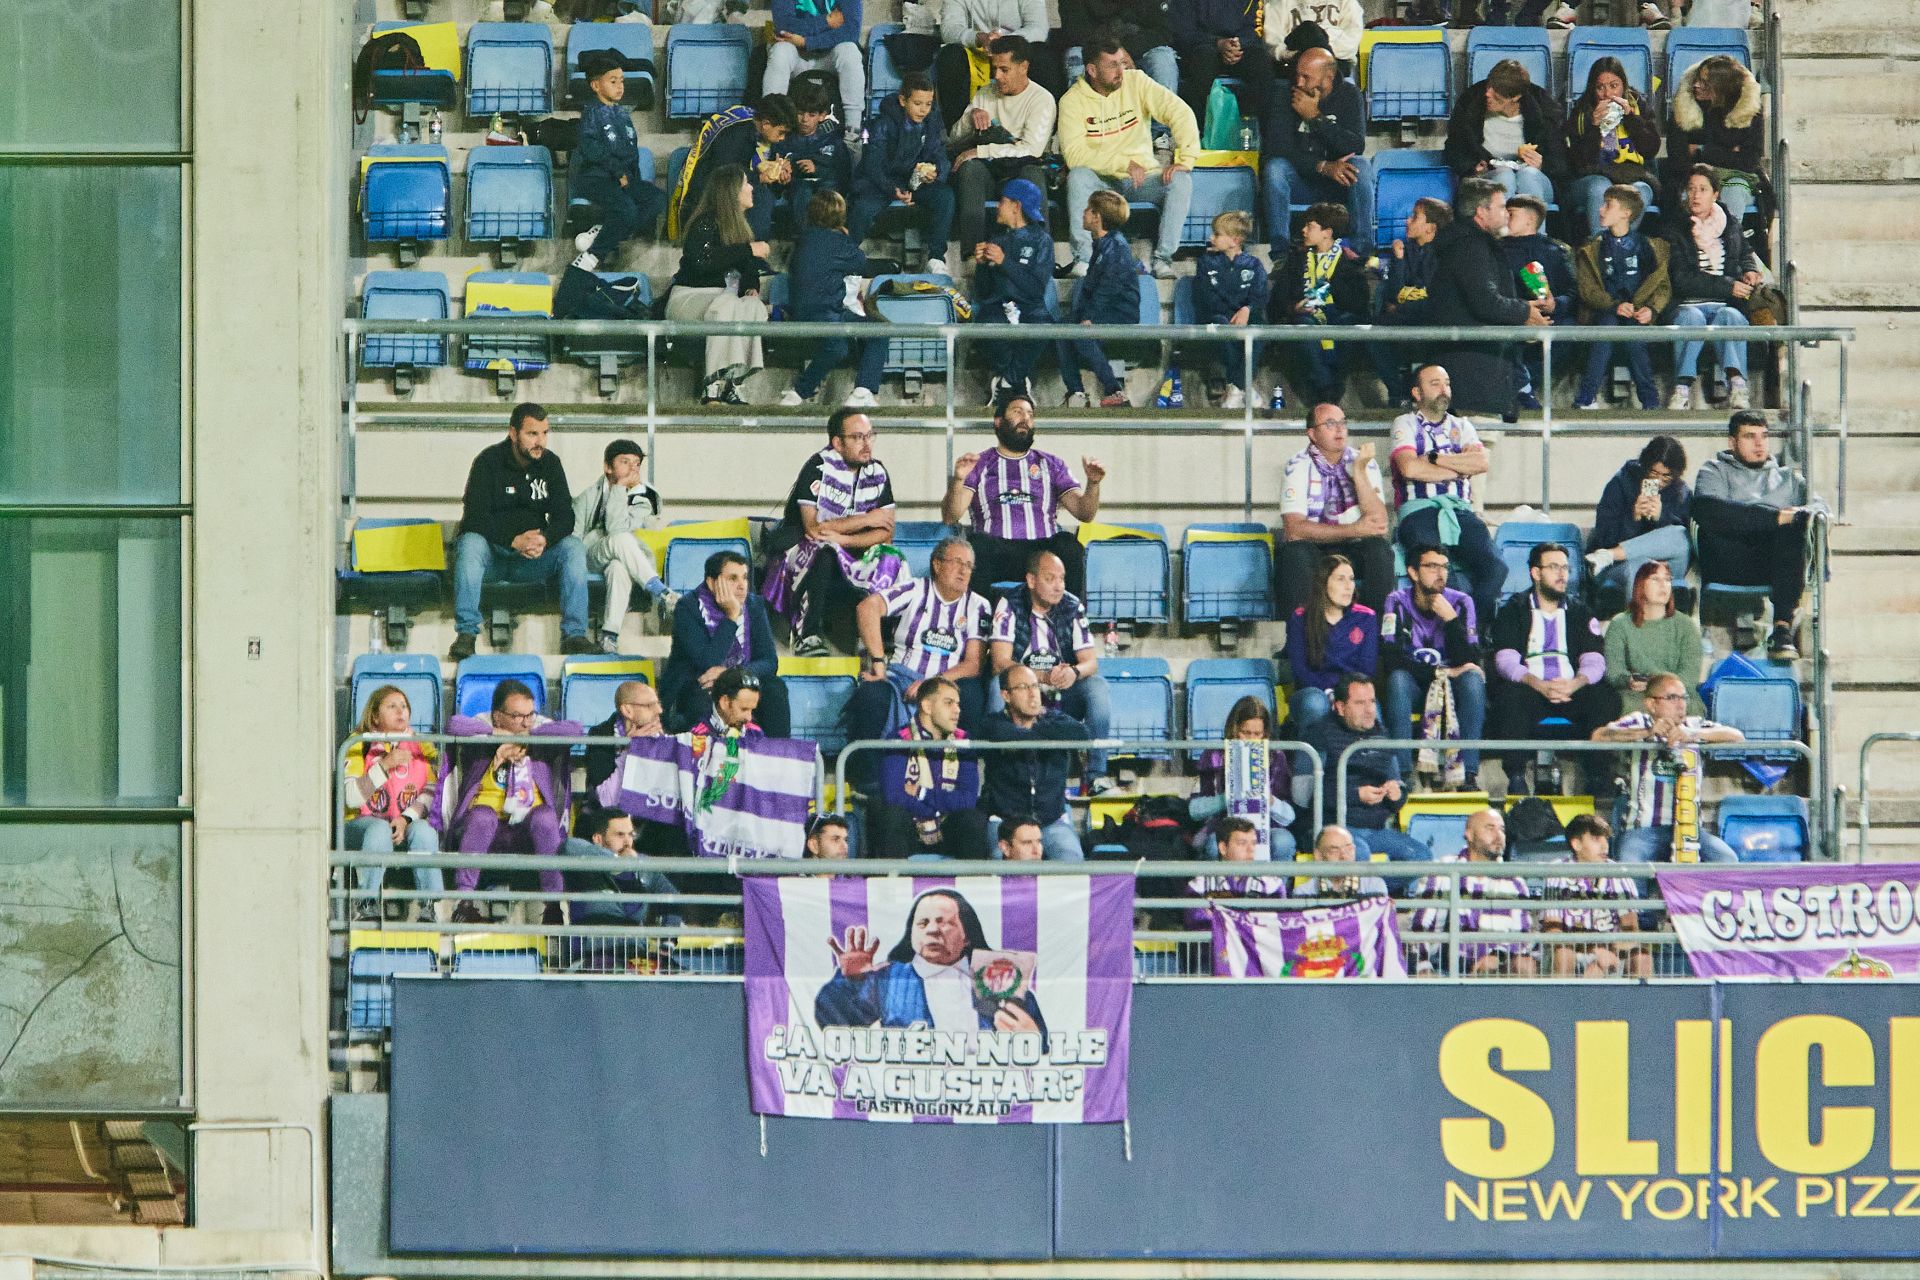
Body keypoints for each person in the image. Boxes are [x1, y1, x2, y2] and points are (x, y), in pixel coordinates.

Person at [450, 403, 592, 659]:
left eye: (545, 433)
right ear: (513, 433)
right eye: (532, 434)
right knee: (470, 542)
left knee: (573, 546)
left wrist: (544, 540)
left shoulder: (551, 464)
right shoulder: (488, 461)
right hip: (492, 557)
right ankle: (467, 633)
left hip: (533, 560)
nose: (541, 441)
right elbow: (474, 516)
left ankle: (575, 636)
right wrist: (512, 540)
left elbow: (565, 516)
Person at [1057, 35, 1201, 280]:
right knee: (1078, 176)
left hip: (1142, 180)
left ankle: (1162, 260)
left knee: (1182, 180)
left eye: (1122, 62)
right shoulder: (1071, 101)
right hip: (1101, 183)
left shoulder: (1137, 82)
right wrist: (1122, 163)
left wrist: (1185, 159)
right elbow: (1074, 155)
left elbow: (1180, 112)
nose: (1121, 70)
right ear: (1091, 70)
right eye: (1112, 65)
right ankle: (1083, 260)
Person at [845, 536, 992, 766]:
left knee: (972, 695)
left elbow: (973, 663)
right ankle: (868, 781)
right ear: (937, 564)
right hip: (902, 676)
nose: (963, 570)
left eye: (968, 566)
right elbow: (867, 608)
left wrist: (931, 684)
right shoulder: (915, 589)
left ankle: (960, 772)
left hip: (947, 681)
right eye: (957, 562)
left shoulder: (978, 605)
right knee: (871, 695)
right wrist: (878, 662)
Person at [763, 409, 900, 656]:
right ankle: (809, 635)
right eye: (858, 437)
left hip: (848, 547)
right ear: (838, 442)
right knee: (825, 550)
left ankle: (880, 636)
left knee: (891, 557)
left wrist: (843, 537)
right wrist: (867, 519)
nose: (867, 444)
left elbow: (886, 533)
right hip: (804, 547)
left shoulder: (878, 472)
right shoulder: (818, 467)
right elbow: (814, 529)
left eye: (870, 436)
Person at [445, 680, 584, 924]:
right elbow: (453, 724)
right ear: (497, 716)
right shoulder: (481, 731)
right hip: (488, 828)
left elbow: (575, 729)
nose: (525, 721)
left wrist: (527, 737)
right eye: (517, 716)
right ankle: (463, 903)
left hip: (527, 829)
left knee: (545, 817)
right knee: (482, 816)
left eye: (530, 714)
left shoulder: (538, 733)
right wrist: (496, 737)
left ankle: (554, 906)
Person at [1488, 542, 1621, 794]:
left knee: (1605, 698)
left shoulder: (1580, 612)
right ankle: (1516, 777)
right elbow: (1505, 661)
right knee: (1509, 697)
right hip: (1531, 687)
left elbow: (1595, 659)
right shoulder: (1513, 610)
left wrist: (1575, 683)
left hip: (1571, 688)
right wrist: (1538, 684)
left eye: (1565, 568)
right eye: (1553, 567)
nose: (1562, 574)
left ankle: (1597, 777)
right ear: (1535, 573)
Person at [1692, 410, 1824, 660]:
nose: (1759, 443)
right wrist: (1774, 518)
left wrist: (1797, 516)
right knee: (1720, 518)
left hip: (1774, 563)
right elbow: (1709, 511)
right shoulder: (1715, 470)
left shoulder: (1790, 478)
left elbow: (1820, 510)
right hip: (1728, 560)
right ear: (1732, 443)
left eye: (1764, 436)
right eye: (1749, 436)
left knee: (1794, 529)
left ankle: (1782, 629)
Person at [943, 394, 1104, 598]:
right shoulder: (979, 463)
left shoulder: (1052, 464)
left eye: (1030, 414)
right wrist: (958, 480)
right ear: (998, 422)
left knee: (1069, 546)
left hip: (1042, 551)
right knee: (977, 546)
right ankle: (979, 621)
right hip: (997, 550)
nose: (1025, 418)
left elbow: (1085, 513)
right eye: (1018, 412)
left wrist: (1094, 483)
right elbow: (950, 516)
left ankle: (1070, 621)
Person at [815, 887, 1044, 1030]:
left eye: (944, 922)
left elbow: (1040, 1044)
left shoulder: (997, 979)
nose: (932, 930)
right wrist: (850, 982)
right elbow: (833, 1020)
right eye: (923, 923)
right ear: (912, 934)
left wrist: (1033, 1038)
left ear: (967, 936)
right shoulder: (889, 977)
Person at [1388, 364, 1506, 628]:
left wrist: (1434, 459)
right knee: (1438, 571)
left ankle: (1468, 627)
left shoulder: (1462, 425)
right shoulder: (1404, 423)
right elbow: (1409, 468)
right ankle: (1451, 634)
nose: (1444, 390)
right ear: (1417, 393)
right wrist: (1456, 468)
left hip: (1460, 511)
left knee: (1497, 567)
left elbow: (1480, 464)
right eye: (1435, 384)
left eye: (1447, 383)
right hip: (1419, 512)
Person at [988, 550, 1115, 786]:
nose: (1059, 586)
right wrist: (1040, 677)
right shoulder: (1010, 602)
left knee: (1097, 688)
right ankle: (997, 773)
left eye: (1062, 578)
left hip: (1062, 691)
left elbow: (1091, 662)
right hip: (1023, 690)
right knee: (997, 686)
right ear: (1031, 580)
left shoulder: (1072, 605)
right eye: (1050, 579)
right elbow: (999, 662)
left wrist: (1074, 672)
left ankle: (1096, 775)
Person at [1424, 180, 1549, 416]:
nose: (1506, 215)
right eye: (1501, 208)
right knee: (1475, 449)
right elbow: (1486, 301)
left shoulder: (1472, 245)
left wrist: (1523, 310)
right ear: (1481, 212)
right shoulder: (1472, 247)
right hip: (1474, 380)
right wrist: (1525, 312)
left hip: (1476, 373)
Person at [1592, 671, 1743, 863]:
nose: (1680, 704)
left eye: (1683, 697)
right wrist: (1647, 732)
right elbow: (1600, 735)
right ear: (1651, 704)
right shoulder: (1640, 721)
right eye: (1671, 698)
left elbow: (1737, 736)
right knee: (1629, 861)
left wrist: (1693, 734)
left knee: (1727, 860)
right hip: (1644, 829)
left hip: (1690, 829)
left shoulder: (1693, 724)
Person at [1379, 543, 1487, 788]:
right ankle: (1403, 774)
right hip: (1415, 683)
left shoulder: (1461, 602)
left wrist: (1450, 620)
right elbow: (1392, 657)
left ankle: (1468, 774)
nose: (1441, 573)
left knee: (1472, 680)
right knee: (1397, 679)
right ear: (1413, 572)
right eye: (1432, 566)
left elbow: (1470, 658)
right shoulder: (1395, 601)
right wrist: (1441, 671)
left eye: (1445, 567)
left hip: (1453, 685)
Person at [665, 163, 772, 406]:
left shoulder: (741, 227)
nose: (751, 187)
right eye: (746, 182)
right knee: (727, 305)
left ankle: (735, 381)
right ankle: (712, 383)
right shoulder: (703, 222)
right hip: (689, 298)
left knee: (753, 307)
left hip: (725, 299)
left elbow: (747, 270)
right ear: (731, 190)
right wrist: (748, 249)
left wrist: (751, 287)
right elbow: (702, 261)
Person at [1295, 674, 1429, 861]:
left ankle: (1375, 888)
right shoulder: (1318, 733)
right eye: (1360, 703)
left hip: (1375, 829)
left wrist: (1397, 794)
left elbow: (1399, 790)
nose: (1369, 710)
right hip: (1330, 827)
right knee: (1359, 852)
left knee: (1422, 856)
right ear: (1340, 707)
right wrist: (1356, 794)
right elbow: (1301, 795)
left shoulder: (1381, 734)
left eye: (1372, 702)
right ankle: (1363, 887)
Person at [1663, 165, 1763, 413]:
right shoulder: (1675, 228)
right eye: (1691, 189)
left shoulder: (1728, 224)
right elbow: (1682, 279)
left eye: (1703, 189)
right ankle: (1682, 388)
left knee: (1731, 317)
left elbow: (1745, 251)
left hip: (1725, 304)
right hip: (1687, 302)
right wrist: (1729, 286)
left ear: (1715, 194)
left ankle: (1737, 385)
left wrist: (1749, 269)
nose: (1695, 195)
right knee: (1693, 317)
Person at [662, 550, 791, 736]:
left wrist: (732, 675)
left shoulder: (754, 605)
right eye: (733, 578)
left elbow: (770, 662)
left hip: (735, 681)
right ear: (712, 583)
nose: (742, 586)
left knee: (774, 689)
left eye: (745, 578)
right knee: (703, 698)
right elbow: (707, 663)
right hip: (696, 684)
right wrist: (731, 617)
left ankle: (778, 758)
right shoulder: (687, 608)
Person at [342, 685, 444, 921]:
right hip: (361, 825)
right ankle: (366, 903)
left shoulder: (422, 746)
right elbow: (351, 797)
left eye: (404, 706)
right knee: (378, 829)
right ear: (376, 716)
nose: (401, 711)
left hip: (404, 822)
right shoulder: (358, 744)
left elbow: (431, 791)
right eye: (392, 706)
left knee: (425, 831)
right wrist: (384, 766)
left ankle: (428, 906)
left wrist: (406, 818)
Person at [948, 36, 1056, 255]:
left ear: (1023, 67)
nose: (997, 76)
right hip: (990, 172)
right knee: (970, 170)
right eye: (994, 69)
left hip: (1022, 168)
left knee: (1032, 176)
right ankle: (972, 256)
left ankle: (1041, 255)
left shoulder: (1041, 99)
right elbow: (953, 139)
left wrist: (980, 151)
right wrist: (970, 117)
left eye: (1004, 70)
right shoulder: (987, 92)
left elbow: (1032, 150)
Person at [1260, 47, 1372, 258]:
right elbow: (1277, 149)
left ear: (1328, 77)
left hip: (1338, 185)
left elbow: (1355, 146)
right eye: (1297, 75)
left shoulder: (1349, 95)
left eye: (1306, 77)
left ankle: (1361, 254)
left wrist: (1316, 118)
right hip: (1301, 182)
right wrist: (1322, 167)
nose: (1299, 83)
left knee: (1362, 167)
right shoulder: (1285, 95)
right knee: (1275, 168)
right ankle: (1281, 255)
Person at [777, 192, 886, 409]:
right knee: (841, 346)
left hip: (809, 310)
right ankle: (801, 391)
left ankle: (861, 392)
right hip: (824, 313)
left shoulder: (803, 239)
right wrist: (845, 238)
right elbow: (861, 263)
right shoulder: (837, 241)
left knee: (875, 330)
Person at [1572, 184, 1673, 413]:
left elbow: (1662, 286)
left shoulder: (1648, 247)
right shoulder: (1592, 247)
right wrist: (1614, 305)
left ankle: (1650, 402)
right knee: (1607, 329)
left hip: (1636, 313)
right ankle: (1585, 398)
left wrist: (1652, 309)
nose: (1600, 209)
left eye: (1608, 205)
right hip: (1604, 312)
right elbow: (1587, 289)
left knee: (1635, 337)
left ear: (1626, 213)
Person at [866, 678, 992, 859]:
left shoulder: (963, 741)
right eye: (949, 703)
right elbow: (894, 797)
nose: (957, 710)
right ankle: (892, 886)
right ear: (927, 706)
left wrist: (921, 793)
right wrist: (939, 809)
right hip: (910, 830)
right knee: (891, 815)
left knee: (972, 819)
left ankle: (971, 885)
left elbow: (967, 800)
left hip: (949, 830)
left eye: (958, 704)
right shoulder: (899, 739)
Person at [571, 438, 674, 654]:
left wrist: (619, 490)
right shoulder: (586, 497)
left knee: (618, 566)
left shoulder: (644, 498)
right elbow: (575, 540)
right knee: (619, 540)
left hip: (626, 558)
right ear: (608, 467)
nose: (632, 469)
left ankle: (609, 636)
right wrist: (618, 488)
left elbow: (618, 528)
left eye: (636, 464)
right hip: (590, 555)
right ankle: (660, 591)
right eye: (625, 462)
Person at [980, 665, 1092, 860]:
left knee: (1072, 862)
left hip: (1051, 821)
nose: (1033, 694)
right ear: (1006, 695)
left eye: (1035, 686)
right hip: (1006, 822)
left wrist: (1033, 731)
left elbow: (1082, 734)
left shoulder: (1056, 719)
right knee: (1001, 864)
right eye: (1023, 687)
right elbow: (1008, 736)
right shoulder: (993, 724)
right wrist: (1050, 736)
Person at [1409, 808, 1536, 977]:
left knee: (1525, 965)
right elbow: (1422, 927)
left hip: (1500, 964)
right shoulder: (1443, 870)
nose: (1499, 835)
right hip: (1451, 966)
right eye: (1490, 828)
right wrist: (1423, 967)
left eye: (1502, 829)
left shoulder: (1515, 880)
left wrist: (1498, 955)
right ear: (1469, 834)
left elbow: (1522, 935)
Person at [571, 51, 667, 270]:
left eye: (621, 81)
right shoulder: (592, 113)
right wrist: (618, 172)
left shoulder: (623, 115)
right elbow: (590, 148)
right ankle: (592, 256)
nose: (619, 86)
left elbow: (631, 152)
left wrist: (633, 180)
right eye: (612, 81)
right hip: (597, 178)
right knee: (627, 210)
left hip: (623, 179)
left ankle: (602, 231)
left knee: (656, 199)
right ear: (596, 86)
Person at [851, 73, 955, 275]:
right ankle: (847, 254)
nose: (923, 110)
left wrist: (937, 171)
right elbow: (872, 165)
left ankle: (935, 258)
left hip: (916, 181)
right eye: (917, 103)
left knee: (945, 197)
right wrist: (892, 189)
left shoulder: (932, 122)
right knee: (862, 208)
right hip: (884, 182)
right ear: (902, 100)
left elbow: (940, 154)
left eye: (928, 104)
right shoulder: (883, 124)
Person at [1270, 202, 1367, 407]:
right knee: (1303, 324)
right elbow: (1279, 298)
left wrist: (1330, 282)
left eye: (1310, 226)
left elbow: (1358, 303)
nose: (1303, 230)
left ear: (1327, 233)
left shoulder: (1349, 261)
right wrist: (1293, 307)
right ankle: (1328, 388)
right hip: (1305, 316)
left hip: (1339, 317)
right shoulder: (1297, 259)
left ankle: (1328, 389)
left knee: (1348, 324)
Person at [665, 96, 799, 241]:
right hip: (707, 189)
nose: (782, 138)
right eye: (781, 132)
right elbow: (724, 175)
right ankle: (753, 250)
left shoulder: (753, 122)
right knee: (761, 196)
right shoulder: (735, 135)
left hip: (727, 182)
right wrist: (759, 177)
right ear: (766, 124)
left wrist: (779, 171)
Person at [972, 178, 1056, 402]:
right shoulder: (996, 240)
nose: (998, 206)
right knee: (984, 325)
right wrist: (981, 266)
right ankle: (1019, 384)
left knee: (1045, 327)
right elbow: (983, 291)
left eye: (1002, 201)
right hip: (997, 308)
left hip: (1030, 308)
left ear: (1016, 206)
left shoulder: (1042, 240)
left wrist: (1004, 262)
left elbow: (1036, 288)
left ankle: (1006, 382)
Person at [1442, 60, 1567, 207]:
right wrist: (1472, 167)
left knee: (1528, 176)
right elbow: (1453, 148)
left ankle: (1532, 230)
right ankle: (1502, 229)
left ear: (1515, 97)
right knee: (1504, 176)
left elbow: (1560, 161)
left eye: (1497, 92)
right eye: (1489, 86)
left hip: (1534, 180)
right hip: (1486, 177)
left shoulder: (1543, 109)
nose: (1488, 93)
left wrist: (1542, 165)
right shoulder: (1471, 102)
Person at [1541, 813, 1650, 979]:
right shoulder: (1557, 871)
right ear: (1576, 844)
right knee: (1563, 954)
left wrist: (1606, 955)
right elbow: (1552, 929)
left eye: (1605, 839)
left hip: (1613, 951)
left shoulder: (1620, 874)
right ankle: (1560, 1005)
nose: (1605, 846)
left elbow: (1631, 929)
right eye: (1596, 839)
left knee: (1642, 958)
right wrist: (1595, 951)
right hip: (1570, 950)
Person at [1059, 190, 1141, 409]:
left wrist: (1088, 317)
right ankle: (1076, 392)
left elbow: (1109, 288)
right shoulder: (1102, 245)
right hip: (1103, 311)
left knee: (1081, 333)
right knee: (1060, 328)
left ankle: (1115, 391)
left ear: (1097, 217)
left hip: (1120, 314)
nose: (1083, 213)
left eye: (1088, 209)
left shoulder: (1116, 247)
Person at [1189, 695, 1299, 858]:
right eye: (1246, 733)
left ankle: (1274, 884)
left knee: (1283, 841)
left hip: (1266, 827)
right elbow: (1194, 810)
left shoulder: (1276, 757)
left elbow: (1289, 817)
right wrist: (1230, 797)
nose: (1252, 740)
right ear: (1234, 729)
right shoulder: (1214, 754)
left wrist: (1270, 802)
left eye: (1257, 734)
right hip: (1224, 827)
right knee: (1214, 845)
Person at [1564, 57, 1660, 239]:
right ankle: (1600, 249)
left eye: (1614, 86)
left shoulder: (1638, 106)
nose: (1607, 94)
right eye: (1600, 87)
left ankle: (1622, 248)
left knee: (1640, 191)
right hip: (1590, 178)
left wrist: (1631, 118)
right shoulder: (1582, 112)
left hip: (1632, 175)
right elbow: (1579, 163)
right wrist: (1593, 126)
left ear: (1624, 85)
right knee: (1601, 186)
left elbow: (1650, 150)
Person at [1584, 435, 1692, 596]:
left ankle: (1607, 556)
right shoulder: (1621, 483)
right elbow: (1604, 537)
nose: (1659, 481)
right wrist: (1632, 519)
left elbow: (1684, 545)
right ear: (1645, 465)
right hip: (1621, 565)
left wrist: (1661, 518)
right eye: (1653, 473)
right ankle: (1639, 621)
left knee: (1679, 534)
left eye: (1666, 476)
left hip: (1667, 565)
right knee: (1642, 569)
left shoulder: (1681, 492)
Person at [1664, 55, 1765, 227]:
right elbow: (1677, 158)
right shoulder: (1684, 109)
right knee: (1692, 193)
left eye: (1705, 83)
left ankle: (1731, 243)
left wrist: (1701, 151)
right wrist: (1728, 153)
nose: (1696, 85)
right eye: (1697, 80)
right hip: (1693, 177)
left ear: (1722, 88)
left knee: (1735, 191)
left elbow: (1749, 161)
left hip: (1737, 178)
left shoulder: (1749, 112)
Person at [1285, 554, 1378, 733]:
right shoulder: (1300, 617)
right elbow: (1300, 669)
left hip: (1352, 694)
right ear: (1323, 583)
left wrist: (1346, 698)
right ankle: (1313, 760)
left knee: (1372, 713)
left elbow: (1366, 668)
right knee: (1316, 704)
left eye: (1351, 579)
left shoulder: (1366, 617)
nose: (1348, 586)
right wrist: (1329, 694)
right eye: (1340, 579)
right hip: (1312, 691)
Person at [1499, 195, 1575, 412]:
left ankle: (1524, 383)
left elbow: (1572, 292)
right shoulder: (1495, 250)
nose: (1505, 217)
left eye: (1511, 214)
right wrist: (1523, 309)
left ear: (1530, 220)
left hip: (1550, 319)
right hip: (1512, 317)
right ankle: (1522, 388)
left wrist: (1555, 304)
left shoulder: (1556, 251)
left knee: (1570, 331)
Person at [1368, 198, 1448, 400]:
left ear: (1430, 228)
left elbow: (1434, 296)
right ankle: (1398, 393)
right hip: (1406, 317)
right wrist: (1400, 260)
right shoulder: (1406, 250)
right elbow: (1394, 293)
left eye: (1415, 217)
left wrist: (1403, 305)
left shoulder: (1445, 255)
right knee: (1373, 333)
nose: (1407, 221)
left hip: (1433, 320)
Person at [1605, 559, 1706, 717]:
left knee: (1689, 707)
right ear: (1640, 584)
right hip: (1637, 695)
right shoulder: (1620, 624)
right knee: (1625, 706)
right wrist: (1629, 680)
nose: (1663, 585)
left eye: (1667, 579)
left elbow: (1690, 676)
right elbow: (1614, 673)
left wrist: (1665, 690)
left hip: (1677, 694)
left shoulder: (1685, 625)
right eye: (1655, 579)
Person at [1190, 210, 1270, 408]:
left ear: (1234, 240)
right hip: (1217, 317)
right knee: (1222, 325)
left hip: (1246, 317)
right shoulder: (1205, 263)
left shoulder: (1254, 265)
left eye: (1217, 234)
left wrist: (1247, 309)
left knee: (1260, 329)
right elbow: (1205, 296)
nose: (1211, 238)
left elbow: (1260, 295)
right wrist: (1233, 314)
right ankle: (1243, 387)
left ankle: (1235, 387)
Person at [561, 808, 682, 935]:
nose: (627, 842)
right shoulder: (585, 863)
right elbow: (568, 846)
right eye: (619, 835)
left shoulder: (642, 865)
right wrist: (615, 863)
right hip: (593, 951)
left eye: (630, 835)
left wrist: (667, 941)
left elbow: (673, 899)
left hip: (635, 951)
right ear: (598, 839)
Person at [934, 0, 1050, 128]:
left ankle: (1040, 128)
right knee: (950, 55)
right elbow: (949, 28)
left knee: (1041, 53)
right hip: (976, 49)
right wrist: (978, 38)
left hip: (1013, 49)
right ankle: (957, 132)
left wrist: (1004, 41)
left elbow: (1039, 28)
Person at [764, 0, 865, 136]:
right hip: (796, 53)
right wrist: (826, 21)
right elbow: (784, 26)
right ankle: (771, 126)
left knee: (850, 51)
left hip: (829, 54)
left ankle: (853, 132)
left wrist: (807, 42)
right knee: (780, 51)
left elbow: (851, 31)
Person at [1170, 0, 1274, 123]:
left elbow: (1255, 29)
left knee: (1260, 61)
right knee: (1203, 59)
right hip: (1201, 48)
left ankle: (1249, 127)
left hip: (1239, 48)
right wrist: (1218, 43)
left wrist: (1236, 44)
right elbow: (1183, 33)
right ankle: (1201, 129)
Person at [774, 80, 855, 234]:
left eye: (811, 115)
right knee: (802, 191)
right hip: (798, 189)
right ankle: (807, 239)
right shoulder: (783, 139)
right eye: (800, 113)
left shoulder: (832, 139)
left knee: (828, 192)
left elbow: (844, 175)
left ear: (822, 115)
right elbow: (774, 180)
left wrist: (817, 169)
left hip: (827, 187)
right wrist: (783, 176)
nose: (804, 119)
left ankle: (829, 238)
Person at [1184, 818, 1291, 929]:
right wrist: (1250, 919)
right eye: (1242, 843)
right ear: (1223, 848)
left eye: (1254, 843)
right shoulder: (1201, 884)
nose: (1250, 850)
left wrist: (1219, 918)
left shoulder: (1271, 884)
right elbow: (1196, 921)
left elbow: (1277, 923)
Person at [1057, 0, 1178, 95]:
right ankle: (1084, 122)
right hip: (1095, 50)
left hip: (1138, 48)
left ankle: (1161, 126)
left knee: (1162, 59)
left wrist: (1126, 49)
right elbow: (1074, 31)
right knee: (1074, 56)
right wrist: (1116, 50)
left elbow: (1163, 30)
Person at [583, 679, 665, 792]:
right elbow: (607, 800)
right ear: (627, 710)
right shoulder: (600, 738)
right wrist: (629, 751)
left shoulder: (664, 734)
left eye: (658, 703)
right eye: (650, 705)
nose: (659, 710)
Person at [1290, 823, 1390, 900]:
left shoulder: (1374, 886)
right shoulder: (1304, 892)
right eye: (1335, 850)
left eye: (1349, 849)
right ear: (1318, 855)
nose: (1344, 856)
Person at [1264, 0, 1364, 67]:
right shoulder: (1280, 3)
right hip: (1295, 66)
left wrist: (1318, 51)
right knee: (1308, 28)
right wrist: (1292, 55)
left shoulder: (1347, 2)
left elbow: (1351, 42)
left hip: (1337, 65)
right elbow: (1271, 41)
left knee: (1312, 31)